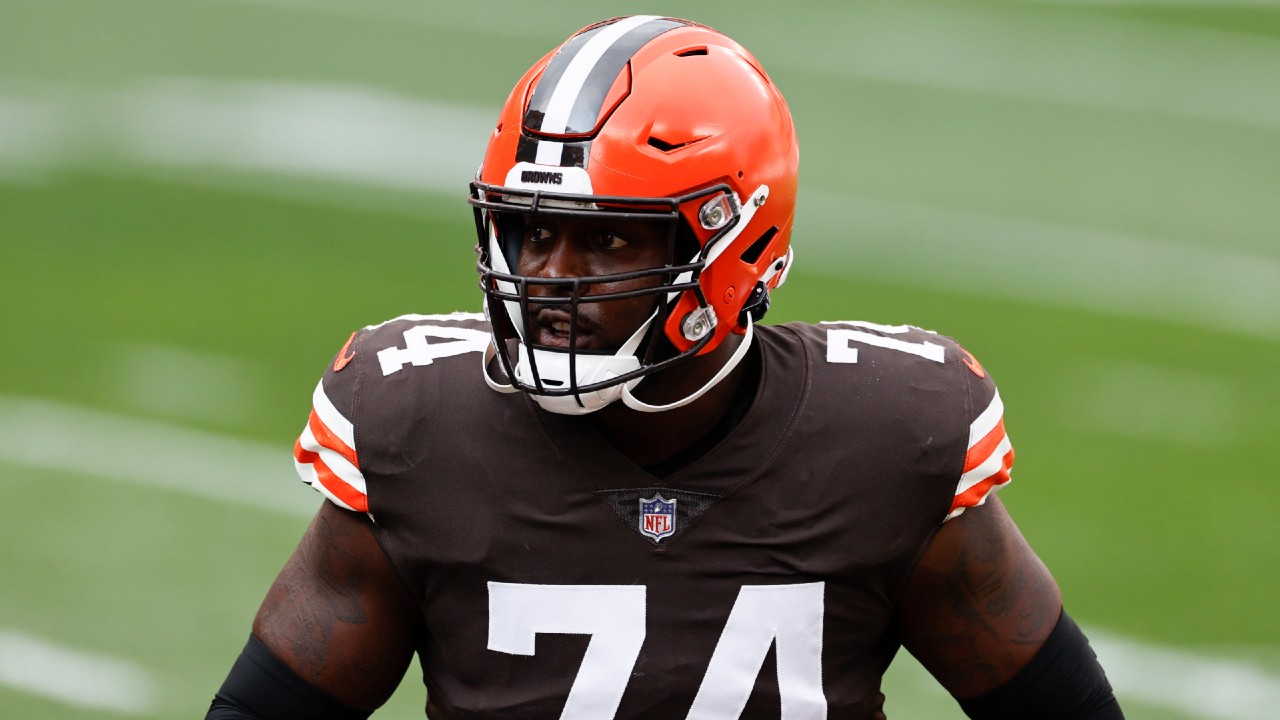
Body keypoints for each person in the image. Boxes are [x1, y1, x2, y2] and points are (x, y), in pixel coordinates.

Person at [207, 15, 1123, 720]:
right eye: (530, 231)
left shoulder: (888, 438)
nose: (549, 279)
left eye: (607, 237)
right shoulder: (418, 425)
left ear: (740, 242)